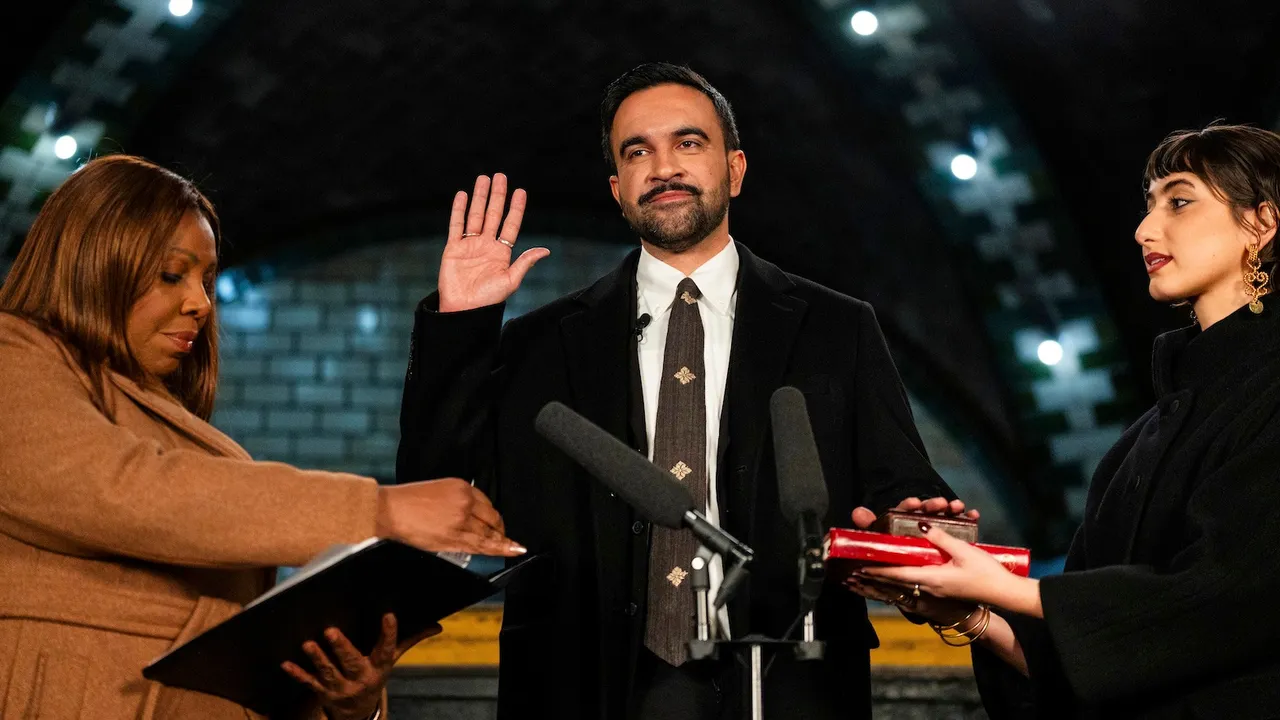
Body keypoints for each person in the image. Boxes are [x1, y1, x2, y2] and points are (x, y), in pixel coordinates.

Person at [397, 62, 972, 720]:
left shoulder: (838, 328)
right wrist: (459, 325)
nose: (662, 166)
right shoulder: (538, 344)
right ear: (617, 189)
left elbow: (896, 489)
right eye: (637, 151)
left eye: (687, 143)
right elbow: (433, 497)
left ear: (735, 169)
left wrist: (917, 527)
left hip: (787, 683)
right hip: (582, 686)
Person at [0, 155, 524, 720]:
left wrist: (348, 701)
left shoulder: (183, 430)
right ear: (92, 265)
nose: (201, 303)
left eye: (205, 280)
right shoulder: (15, 356)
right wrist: (379, 511)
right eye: (172, 274)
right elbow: (115, 487)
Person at [849, 123, 1280, 718]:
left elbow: (1232, 597)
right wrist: (969, 610)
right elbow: (1098, 666)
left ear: (1261, 223)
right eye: (1148, 206)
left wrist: (1005, 588)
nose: (1144, 230)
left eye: (1179, 201)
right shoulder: (1140, 440)